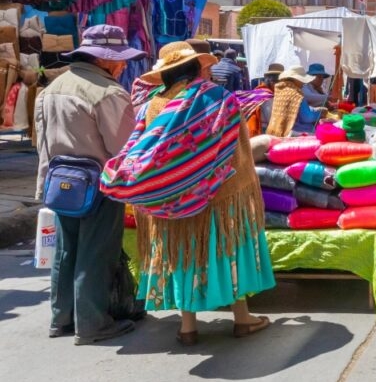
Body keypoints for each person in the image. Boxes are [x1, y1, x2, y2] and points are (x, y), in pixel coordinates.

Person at [102, 42, 275, 346]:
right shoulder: (217, 98)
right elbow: (237, 145)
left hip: (170, 196)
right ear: (196, 67)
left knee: (181, 253)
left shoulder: (153, 103)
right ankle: (242, 317)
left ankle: (188, 327)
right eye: (204, 66)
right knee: (227, 248)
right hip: (221, 194)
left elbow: (144, 148)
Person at [34, 24, 145, 344]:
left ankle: (61, 319)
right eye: (119, 60)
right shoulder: (108, 92)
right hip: (98, 184)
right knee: (98, 252)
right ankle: (93, 323)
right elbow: (122, 148)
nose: (123, 65)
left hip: (59, 182)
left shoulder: (50, 89)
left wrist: (45, 184)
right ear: (103, 61)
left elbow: (41, 142)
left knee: (67, 250)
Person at [267, 65, 327, 136]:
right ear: (296, 79)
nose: (303, 83)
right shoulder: (297, 94)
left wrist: (315, 109)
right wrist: (320, 113)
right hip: (296, 132)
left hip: (278, 132)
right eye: (302, 80)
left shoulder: (281, 91)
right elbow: (307, 117)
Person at [258, 62, 284, 129]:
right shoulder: (267, 96)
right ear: (273, 82)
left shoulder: (263, 91)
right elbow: (272, 121)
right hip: (264, 131)